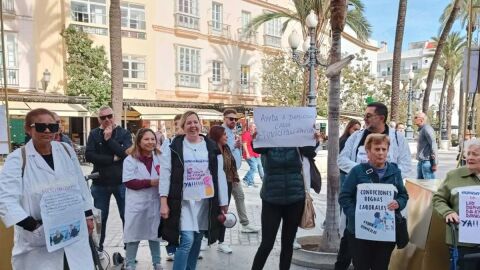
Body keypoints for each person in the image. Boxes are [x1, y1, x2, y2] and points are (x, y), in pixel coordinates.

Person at [0, 108, 94, 270]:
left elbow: (80, 185)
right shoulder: (17, 159)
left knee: (76, 264)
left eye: (53, 126)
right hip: (39, 238)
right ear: (28, 129)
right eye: (41, 127)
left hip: (73, 229)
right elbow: (6, 200)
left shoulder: (66, 150)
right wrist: (33, 226)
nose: (48, 131)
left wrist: (88, 215)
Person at [336, 102, 411, 270]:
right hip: (358, 208)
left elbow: (406, 166)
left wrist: (387, 172)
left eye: (369, 115)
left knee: (380, 263)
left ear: (381, 118)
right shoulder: (357, 137)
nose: (365, 118)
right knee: (351, 250)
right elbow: (341, 160)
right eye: (376, 150)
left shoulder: (398, 138)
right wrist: (362, 171)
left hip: (385, 218)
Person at [159, 111, 228, 270]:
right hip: (183, 202)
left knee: (197, 238)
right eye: (188, 123)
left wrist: (223, 202)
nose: (193, 126)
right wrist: (164, 202)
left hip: (204, 201)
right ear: (182, 126)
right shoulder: (173, 146)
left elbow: (219, 175)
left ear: (200, 124)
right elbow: (165, 174)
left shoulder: (211, 146)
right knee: (187, 240)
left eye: (195, 122)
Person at [251, 134, 319, 270]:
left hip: (295, 199)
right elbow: (257, 149)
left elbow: (311, 152)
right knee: (267, 244)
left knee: (288, 244)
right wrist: (257, 138)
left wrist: (315, 141)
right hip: (271, 199)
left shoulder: (298, 140)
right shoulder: (268, 140)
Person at [85, 105, 132, 254]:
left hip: (121, 182)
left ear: (114, 116)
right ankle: (98, 248)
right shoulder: (93, 134)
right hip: (100, 184)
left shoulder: (124, 133)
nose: (106, 119)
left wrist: (109, 139)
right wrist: (112, 158)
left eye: (109, 116)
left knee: (126, 216)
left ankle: (129, 248)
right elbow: (89, 156)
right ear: (99, 118)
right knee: (100, 218)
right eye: (103, 117)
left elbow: (126, 153)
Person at [433, 138, 480, 270]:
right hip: (462, 242)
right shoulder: (454, 176)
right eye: (468, 153)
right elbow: (438, 199)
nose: (469, 157)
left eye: (475, 154)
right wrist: (448, 212)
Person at [122, 128, 162, 270]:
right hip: (137, 204)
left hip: (154, 202)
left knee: (154, 233)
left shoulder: (159, 157)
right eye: (146, 139)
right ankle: (130, 263)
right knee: (134, 234)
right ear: (138, 141)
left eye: (152, 139)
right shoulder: (130, 159)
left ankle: (157, 262)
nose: (150, 142)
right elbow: (128, 181)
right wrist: (150, 182)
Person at [222, 109, 259, 233]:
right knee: (224, 201)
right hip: (225, 171)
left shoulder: (232, 132)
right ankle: (212, 233)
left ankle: (245, 224)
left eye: (235, 119)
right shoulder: (222, 132)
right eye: (230, 118)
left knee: (239, 196)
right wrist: (235, 146)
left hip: (233, 171)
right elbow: (220, 151)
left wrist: (237, 147)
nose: (233, 121)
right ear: (224, 118)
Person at [209, 125, 240, 254]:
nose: (226, 136)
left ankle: (221, 241)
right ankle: (206, 239)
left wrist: (235, 179)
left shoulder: (226, 148)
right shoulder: (210, 149)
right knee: (210, 211)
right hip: (212, 185)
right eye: (224, 134)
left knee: (224, 211)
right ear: (217, 136)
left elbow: (231, 165)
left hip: (226, 184)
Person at [414, 112, 438, 179]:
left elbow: (433, 145)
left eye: (416, 117)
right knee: (419, 185)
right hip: (421, 162)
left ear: (421, 120)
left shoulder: (427, 129)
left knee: (429, 185)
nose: (414, 119)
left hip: (427, 163)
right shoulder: (422, 129)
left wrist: (435, 163)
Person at [242, 122, 264, 187]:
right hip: (249, 153)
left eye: (255, 126)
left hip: (255, 154)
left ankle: (263, 181)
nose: (254, 127)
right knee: (254, 167)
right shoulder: (246, 134)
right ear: (250, 127)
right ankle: (246, 179)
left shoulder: (255, 134)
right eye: (253, 126)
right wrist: (247, 153)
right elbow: (244, 144)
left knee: (260, 166)